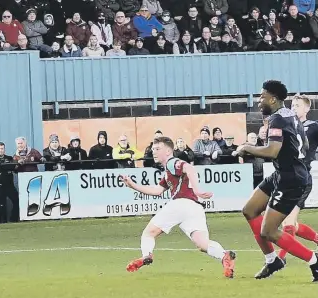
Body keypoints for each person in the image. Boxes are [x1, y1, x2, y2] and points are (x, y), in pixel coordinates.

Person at [120, 136, 237, 278]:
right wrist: (133, 185)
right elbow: (157, 190)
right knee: (202, 244)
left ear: (169, 151)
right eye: (153, 149)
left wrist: (198, 189)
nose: (154, 152)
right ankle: (224, 256)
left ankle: (146, 255)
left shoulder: (171, 163)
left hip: (181, 203)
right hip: (194, 207)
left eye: (157, 149)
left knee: (149, 233)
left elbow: (189, 167)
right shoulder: (169, 171)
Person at [236, 80, 318, 282]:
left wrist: (247, 148)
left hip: (291, 179)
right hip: (282, 173)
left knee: (269, 231)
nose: (258, 100)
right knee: (249, 210)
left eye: (262, 96)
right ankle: (272, 260)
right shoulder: (290, 115)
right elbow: (305, 143)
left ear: (273, 99)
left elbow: (272, 151)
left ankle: (313, 260)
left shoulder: (278, 119)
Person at [276, 94, 318, 261]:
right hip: (287, 178)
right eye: (292, 105)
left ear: (307, 109)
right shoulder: (288, 127)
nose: (294, 108)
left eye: (298, 105)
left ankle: (280, 259)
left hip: (302, 178)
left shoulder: (313, 127)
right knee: (290, 223)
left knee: (287, 224)